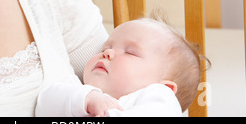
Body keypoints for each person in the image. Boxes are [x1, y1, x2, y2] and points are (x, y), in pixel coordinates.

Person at [35, 16, 204, 117]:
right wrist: (89, 99)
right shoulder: (78, 88)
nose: (108, 53)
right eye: (105, 48)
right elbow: (43, 105)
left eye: (130, 52)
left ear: (165, 86)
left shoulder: (160, 99)